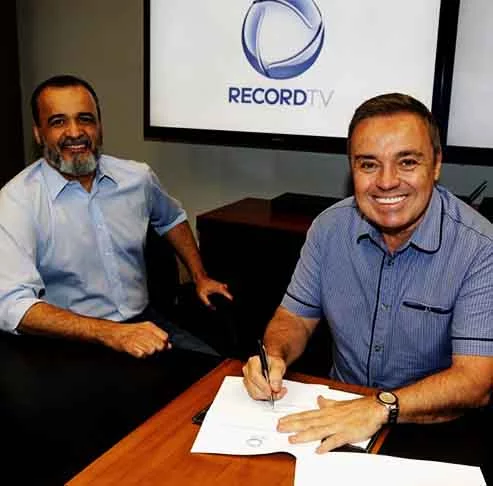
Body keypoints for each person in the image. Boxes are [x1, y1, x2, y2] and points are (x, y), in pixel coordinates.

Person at [243, 93, 493, 453]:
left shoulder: (480, 248)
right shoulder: (328, 228)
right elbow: (294, 318)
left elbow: (475, 381)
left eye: (407, 162)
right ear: (352, 169)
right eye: (369, 164)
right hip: (338, 411)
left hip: (435, 429)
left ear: (436, 164)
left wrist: (379, 408)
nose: (387, 182)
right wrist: (274, 356)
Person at [0, 74, 232, 358]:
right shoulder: (17, 201)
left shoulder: (137, 178)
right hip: (67, 342)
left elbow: (171, 219)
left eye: (85, 119)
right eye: (58, 122)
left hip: (145, 324)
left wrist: (200, 276)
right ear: (38, 134)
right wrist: (108, 333)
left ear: (99, 127)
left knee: (218, 373)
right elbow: (11, 304)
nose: (75, 132)